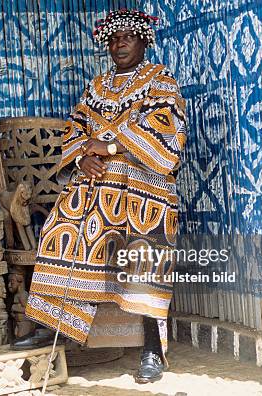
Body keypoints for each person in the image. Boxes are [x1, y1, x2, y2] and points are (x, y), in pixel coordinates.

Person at [10, 9, 187, 384]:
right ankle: (52, 326)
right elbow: (77, 127)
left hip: (143, 187)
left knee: (142, 248)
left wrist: (102, 149)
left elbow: (162, 131)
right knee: (60, 228)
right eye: (113, 38)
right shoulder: (97, 86)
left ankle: (153, 349)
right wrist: (84, 155)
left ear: (144, 41)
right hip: (95, 187)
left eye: (128, 37)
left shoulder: (161, 81)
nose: (119, 43)